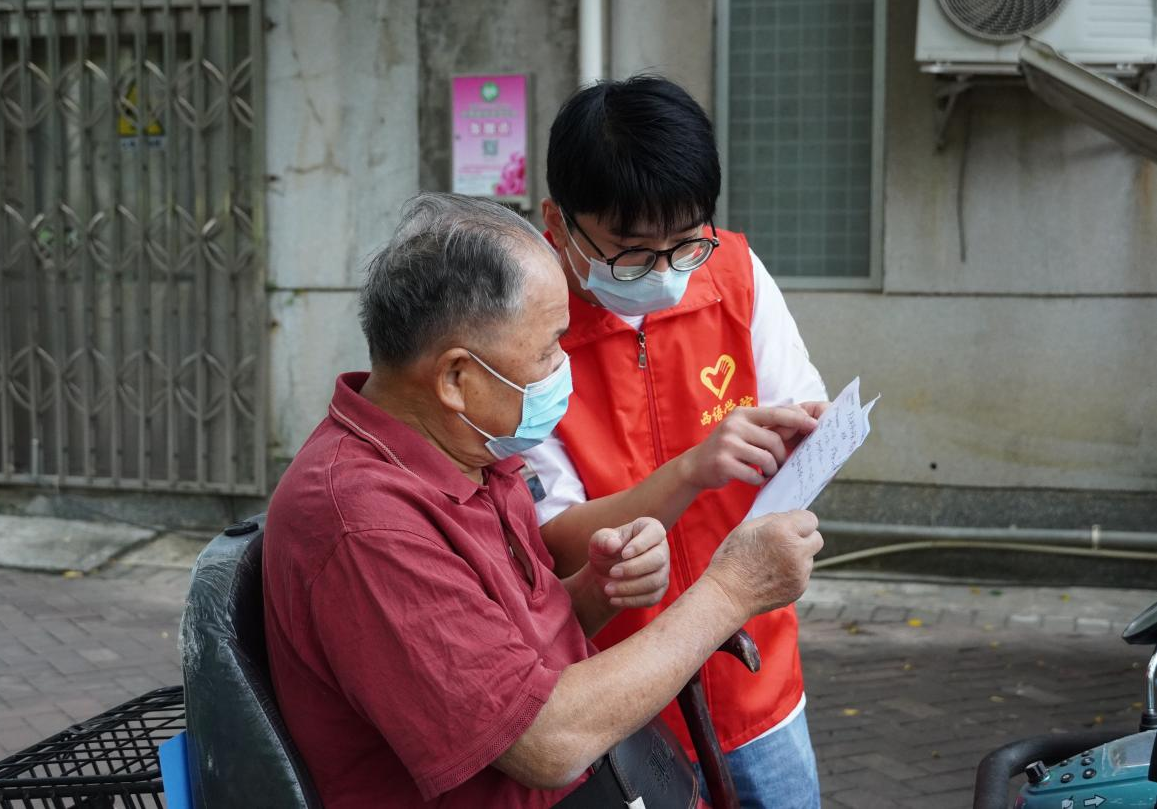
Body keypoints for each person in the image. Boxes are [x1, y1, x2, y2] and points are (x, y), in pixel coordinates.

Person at [262, 192, 823, 808]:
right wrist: (732, 590)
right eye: (550, 348)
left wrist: (595, 588)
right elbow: (544, 741)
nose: (565, 369)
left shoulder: (468, 452)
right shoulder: (367, 525)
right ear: (456, 377)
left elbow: (511, 647)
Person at [525, 75, 830, 809]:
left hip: (758, 677)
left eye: (683, 242)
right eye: (630, 252)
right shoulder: (525, 325)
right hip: (619, 695)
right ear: (558, 223)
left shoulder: (733, 271)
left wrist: (802, 449)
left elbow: (803, 416)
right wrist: (691, 469)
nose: (664, 273)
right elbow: (558, 541)